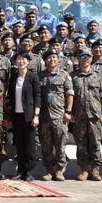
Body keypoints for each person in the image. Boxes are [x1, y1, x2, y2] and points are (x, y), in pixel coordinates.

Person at [70, 48, 102, 181]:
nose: (85, 59)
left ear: (91, 59)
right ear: (78, 59)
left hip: (95, 116)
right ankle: (84, 169)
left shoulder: (98, 76)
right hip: (78, 116)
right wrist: (69, 112)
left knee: (95, 143)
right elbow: (69, 96)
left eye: (88, 56)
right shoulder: (73, 76)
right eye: (83, 56)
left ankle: (95, 169)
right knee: (81, 144)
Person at [37, 48, 74, 181]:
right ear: (45, 61)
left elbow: (69, 93)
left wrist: (68, 111)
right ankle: (49, 170)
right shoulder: (40, 76)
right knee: (45, 145)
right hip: (44, 116)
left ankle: (59, 170)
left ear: (58, 60)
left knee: (60, 145)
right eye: (49, 58)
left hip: (59, 115)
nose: (51, 60)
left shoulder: (64, 75)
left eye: (54, 57)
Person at [4, 52, 40, 181]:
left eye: (23, 59)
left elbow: (37, 96)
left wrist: (36, 115)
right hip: (16, 116)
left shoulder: (32, 76)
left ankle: (29, 172)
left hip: (29, 116)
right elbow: (9, 98)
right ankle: (20, 171)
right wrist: (8, 117)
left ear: (28, 62)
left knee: (29, 145)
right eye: (18, 59)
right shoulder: (13, 77)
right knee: (19, 145)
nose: (21, 61)